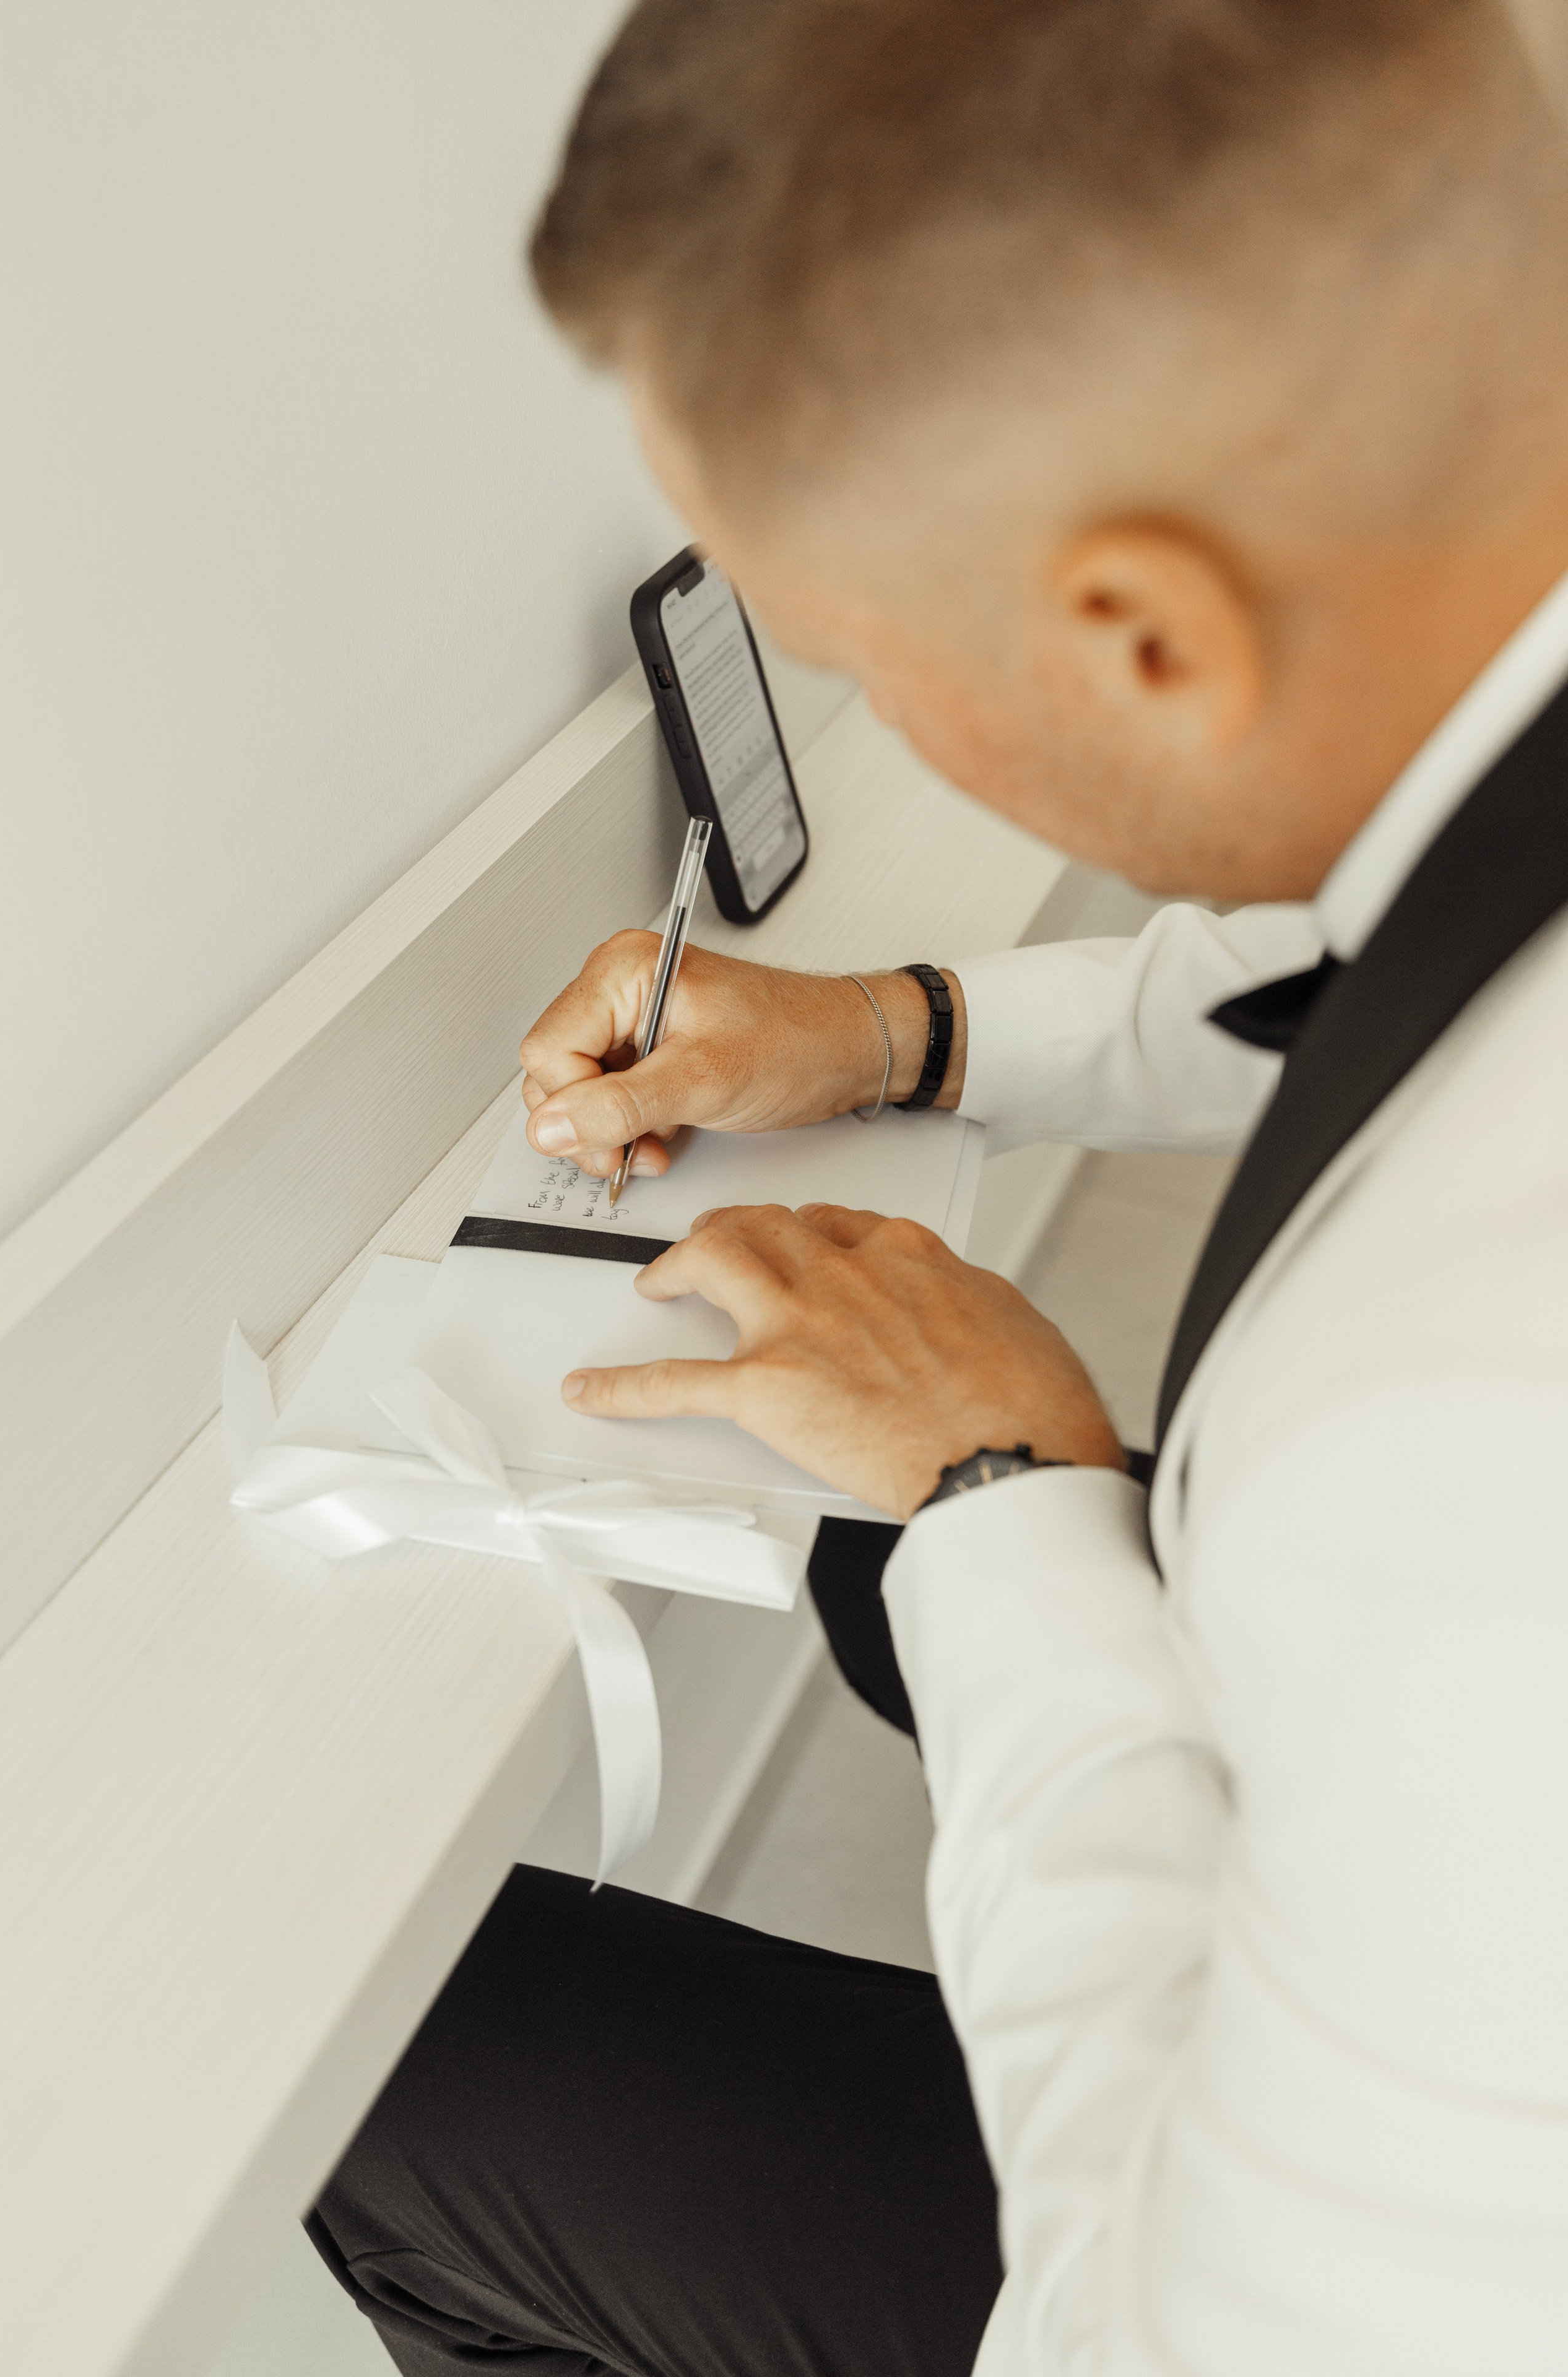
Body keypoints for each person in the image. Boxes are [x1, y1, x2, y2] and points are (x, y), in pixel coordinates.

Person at [308, 4, 1568, 2369]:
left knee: (407, 2093)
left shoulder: (1479, 1441)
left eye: (874, 649)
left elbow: (1170, 2330)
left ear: (1141, 636)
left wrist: (1004, 1486)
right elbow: (1391, 932)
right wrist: (910, 1028)